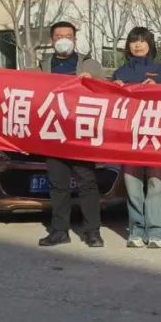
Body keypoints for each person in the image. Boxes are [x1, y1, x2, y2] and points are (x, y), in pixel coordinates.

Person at [36, 22, 106, 248]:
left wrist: (92, 81)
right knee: (58, 185)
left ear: (75, 39)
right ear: (51, 41)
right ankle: (59, 231)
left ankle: (92, 232)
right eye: (59, 36)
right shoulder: (42, 67)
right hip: (54, 132)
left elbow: (107, 92)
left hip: (80, 133)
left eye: (68, 35)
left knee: (88, 183)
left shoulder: (89, 65)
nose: (63, 39)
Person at [111, 27, 161, 249]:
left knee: (156, 184)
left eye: (142, 41)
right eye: (133, 41)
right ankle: (136, 229)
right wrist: (114, 90)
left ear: (150, 44)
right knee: (133, 185)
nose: (138, 45)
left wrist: (159, 89)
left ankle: (157, 230)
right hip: (129, 137)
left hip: (156, 136)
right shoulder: (120, 73)